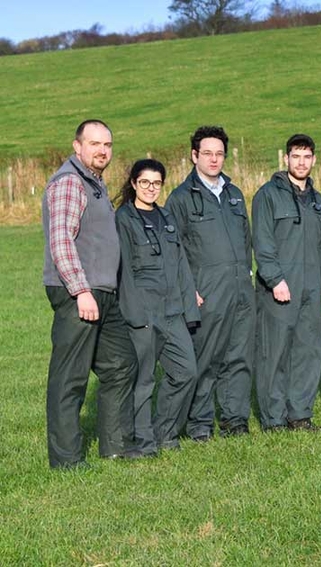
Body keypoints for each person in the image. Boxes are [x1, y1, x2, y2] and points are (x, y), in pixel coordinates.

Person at [42, 119, 139, 468]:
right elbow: (61, 240)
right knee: (71, 376)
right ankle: (66, 459)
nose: (102, 150)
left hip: (103, 292)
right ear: (77, 146)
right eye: (94, 143)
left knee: (121, 363)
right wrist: (80, 290)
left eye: (107, 145)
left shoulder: (94, 184)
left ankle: (114, 445)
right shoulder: (70, 182)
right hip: (78, 292)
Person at [164, 126, 254, 440]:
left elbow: (246, 240)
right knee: (206, 358)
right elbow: (173, 250)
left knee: (239, 355)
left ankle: (235, 420)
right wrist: (190, 291)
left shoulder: (234, 194)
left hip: (242, 289)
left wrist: (249, 276)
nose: (214, 159)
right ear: (194, 156)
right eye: (207, 153)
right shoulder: (181, 198)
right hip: (207, 292)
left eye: (219, 154)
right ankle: (199, 424)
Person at [115, 159, 200, 455]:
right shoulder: (124, 218)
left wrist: (190, 308)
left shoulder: (167, 218)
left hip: (173, 311)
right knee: (144, 379)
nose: (151, 188)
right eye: (145, 182)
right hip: (143, 312)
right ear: (134, 183)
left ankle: (165, 432)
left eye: (156, 183)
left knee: (186, 372)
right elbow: (122, 269)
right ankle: (144, 441)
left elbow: (181, 267)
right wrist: (134, 314)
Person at [252, 134, 321, 431]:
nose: (301, 162)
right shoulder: (268, 195)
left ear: (313, 160)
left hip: (311, 288)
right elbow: (262, 242)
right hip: (280, 287)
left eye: (307, 157)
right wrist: (275, 279)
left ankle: (299, 414)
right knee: (274, 352)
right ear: (286, 159)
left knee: (308, 351)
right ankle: (273, 419)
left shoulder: (317, 199)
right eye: (296, 156)